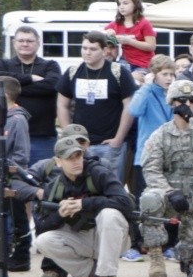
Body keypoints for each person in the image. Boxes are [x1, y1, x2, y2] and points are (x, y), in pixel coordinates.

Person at [26, 134, 137, 277]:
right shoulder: (54, 187)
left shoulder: (98, 173)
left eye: (78, 155)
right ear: (58, 161)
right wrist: (60, 215)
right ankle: (89, 275)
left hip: (113, 238)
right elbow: (42, 228)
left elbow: (125, 203)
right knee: (43, 241)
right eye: (69, 158)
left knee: (109, 214)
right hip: (82, 239)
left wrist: (84, 204)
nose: (76, 161)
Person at [136, 79, 193, 277]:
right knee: (149, 200)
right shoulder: (161, 135)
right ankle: (157, 256)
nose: (187, 104)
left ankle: (186, 251)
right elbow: (151, 170)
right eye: (181, 100)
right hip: (171, 195)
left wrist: (192, 121)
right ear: (172, 103)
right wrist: (168, 191)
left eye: (192, 100)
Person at [57, 32, 136, 177]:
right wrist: (69, 135)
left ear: (105, 50)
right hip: (80, 145)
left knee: (111, 189)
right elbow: (62, 104)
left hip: (109, 143)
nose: (87, 52)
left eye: (92, 49)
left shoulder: (119, 72)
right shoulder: (73, 72)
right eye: (84, 48)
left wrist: (118, 139)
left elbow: (129, 106)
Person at [0, 75, 33, 273]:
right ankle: (1, 254)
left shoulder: (17, 120)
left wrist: (10, 174)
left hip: (11, 182)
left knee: (17, 219)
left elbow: (21, 154)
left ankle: (20, 256)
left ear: (5, 95)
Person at [0, 26, 63, 164]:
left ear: (38, 43)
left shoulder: (50, 65)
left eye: (29, 41)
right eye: (21, 40)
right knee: (10, 181)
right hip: (9, 134)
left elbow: (53, 85)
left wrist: (13, 89)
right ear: (14, 43)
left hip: (42, 137)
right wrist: (31, 79)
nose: (25, 44)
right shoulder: (3, 65)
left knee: (44, 179)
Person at [103, 0, 156, 70]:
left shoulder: (144, 23)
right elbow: (99, 36)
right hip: (125, 61)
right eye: (119, 4)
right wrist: (107, 33)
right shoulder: (116, 24)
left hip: (144, 64)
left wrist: (129, 41)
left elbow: (151, 46)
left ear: (136, 4)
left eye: (125, 3)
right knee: (118, 74)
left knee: (135, 78)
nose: (121, 6)